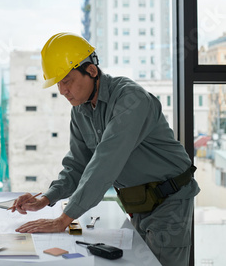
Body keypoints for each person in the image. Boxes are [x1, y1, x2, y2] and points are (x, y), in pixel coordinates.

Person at [11, 32, 199, 266]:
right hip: (138, 203)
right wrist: (46, 198)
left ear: (91, 71)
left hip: (169, 202)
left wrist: (64, 219)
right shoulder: (80, 111)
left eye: (66, 80)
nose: (62, 90)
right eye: (58, 83)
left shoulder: (131, 99)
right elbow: (77, 167)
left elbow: (105, 163)